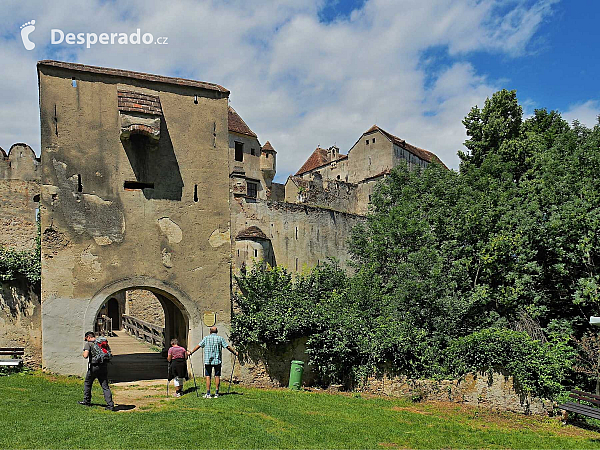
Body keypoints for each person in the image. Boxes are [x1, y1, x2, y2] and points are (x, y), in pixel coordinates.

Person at [188, 326, 238, 398]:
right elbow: (227, 347)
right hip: (217, 360)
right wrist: (234, 352)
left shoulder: (206, 338)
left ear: (210, 332)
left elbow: (198, 346)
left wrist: (191, 352)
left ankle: (208, 393)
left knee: (208, 376)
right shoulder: (220, 338)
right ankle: (216, 393)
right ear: (217, 332)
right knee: (217, 376)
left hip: (208, 360)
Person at [79, 331, 115, 411]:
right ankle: (110, 405)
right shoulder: (102, 343)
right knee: (105, 386)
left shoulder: (89, 344)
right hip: (104, 366)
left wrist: (84, 353)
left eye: (86, 339)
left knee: (88, 383)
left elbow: (85, 355)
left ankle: (86, 401)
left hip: (94, 367)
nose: (86, 340)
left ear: (88, 337)